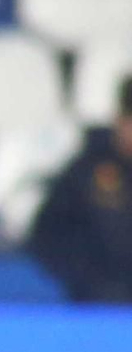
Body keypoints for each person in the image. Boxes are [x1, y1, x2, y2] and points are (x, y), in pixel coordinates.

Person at [28, 77, 132, 304]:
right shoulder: (86, 171)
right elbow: (48, 234)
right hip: (99, 306)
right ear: (120, 121)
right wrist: (89, 279)